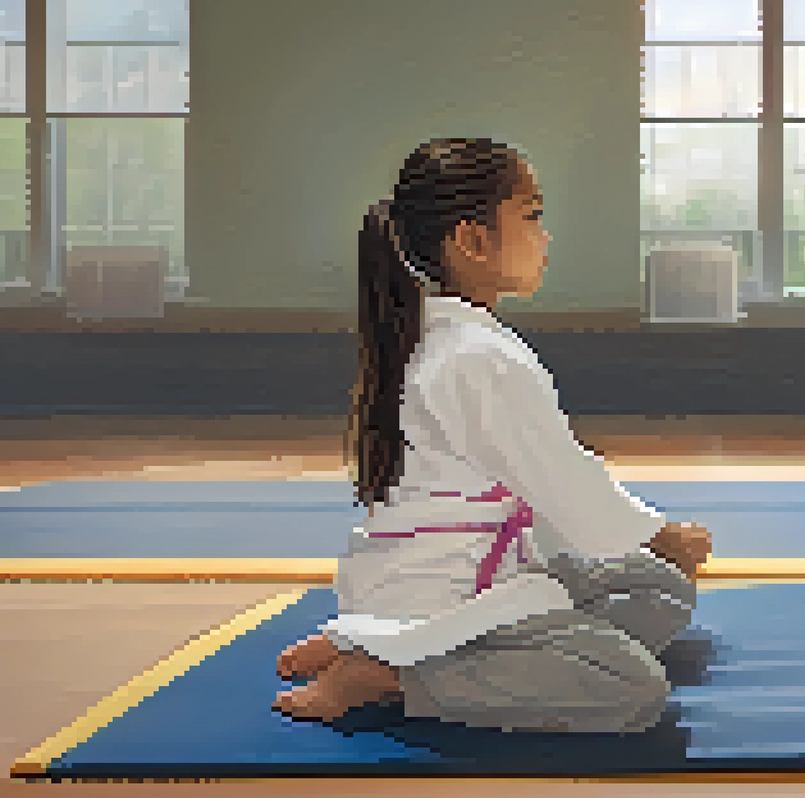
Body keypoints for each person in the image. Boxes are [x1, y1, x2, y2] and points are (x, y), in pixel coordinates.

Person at [272, 138, 712, 732]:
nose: (545, 236)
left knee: (660, 593)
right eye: (531, 216)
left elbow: (547, 486)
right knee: (630, 688)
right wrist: (660, 535)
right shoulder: (480, 358)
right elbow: (569, 487)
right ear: (472, 241)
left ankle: (380, 642)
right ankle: (392, 675)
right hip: (453, 593)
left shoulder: (443, 338)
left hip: (454, 574)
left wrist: (644, 548)